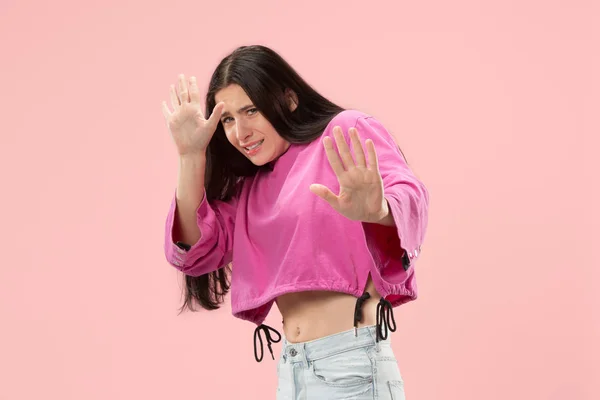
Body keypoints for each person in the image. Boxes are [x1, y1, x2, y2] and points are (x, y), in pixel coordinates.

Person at [161, 45, 429, 399]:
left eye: (251, 110)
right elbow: (193, 252)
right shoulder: (249, 190)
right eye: (228, 119)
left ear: (288, 100)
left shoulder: (342, 132)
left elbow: (410, 194)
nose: (240, 133)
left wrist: (378, 209)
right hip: (292, 370)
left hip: (350, 368)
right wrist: (190, 155)